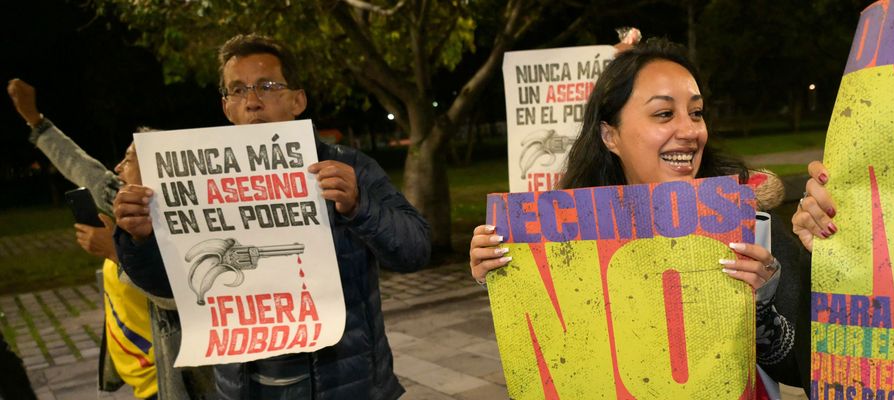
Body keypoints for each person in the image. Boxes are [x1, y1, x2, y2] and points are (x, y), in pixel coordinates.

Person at [468, 38, 810, 392]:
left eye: (696, 112)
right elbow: (551, 372)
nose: (691, 130)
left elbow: (801, 372)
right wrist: (504, 275)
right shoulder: (565, 235)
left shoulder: (750, 223)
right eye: (664, 114)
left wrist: (761, 305)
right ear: (609, 135)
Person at [111, 33, 431, 399]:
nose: (252, 101)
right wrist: (138, 239)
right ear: (226, 108)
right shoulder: (196, 183)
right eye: (237, 90)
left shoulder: (350, 167)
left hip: (350, 386)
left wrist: (361, 207)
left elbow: (415, 250)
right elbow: (166, 286)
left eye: (267, 86)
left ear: (298, 99)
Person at [7, 79, 160, 399]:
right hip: (139, 383)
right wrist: (34, 119)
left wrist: (115, 252)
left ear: (155, 171)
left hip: (168, 382)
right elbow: (82, 167)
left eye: (128, 159)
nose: (117, 167)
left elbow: (177, 294)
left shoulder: (180, 226)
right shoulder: (118, 200)